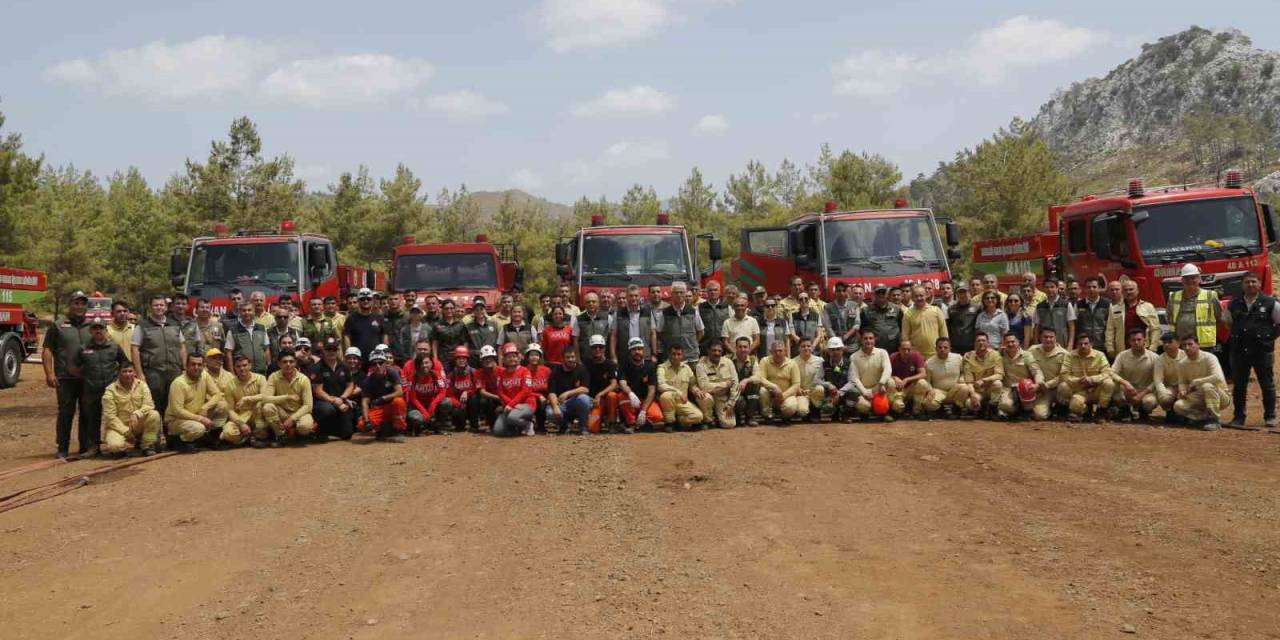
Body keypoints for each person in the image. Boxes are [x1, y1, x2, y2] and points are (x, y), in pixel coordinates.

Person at [1226, 272, 1280, 429]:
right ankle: (1238, 418)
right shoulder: (1233, 303)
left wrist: (1268, 339)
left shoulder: (1271, 303)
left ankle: (1270, 417)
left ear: (1259, 283)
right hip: (1239, 351)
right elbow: (1228, 322)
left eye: (1253, 282)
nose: (1250, 285)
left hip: (1262, 350)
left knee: (1267, 384)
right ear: (1242, 285)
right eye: (1247, 282)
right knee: (1239, 385)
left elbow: (1278, 324)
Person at [132, 293, 188, 439]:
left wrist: (184, 368)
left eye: (161, 305)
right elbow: (135, 349)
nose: (159, 307)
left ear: (166, 306)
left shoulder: (174, 325)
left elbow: (182, 346)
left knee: (174, 406)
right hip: (153, 372)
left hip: (174, 371)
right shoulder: (143, 325)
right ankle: (153, 439)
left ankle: (172, 438)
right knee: (155, 407)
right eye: (156, 305)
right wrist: (140, 373)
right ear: (151, 307)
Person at [74, 318, 130, 456]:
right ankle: (93, 447)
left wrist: (119, 380)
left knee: (114, 417)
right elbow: (74, 366)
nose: (98, 331)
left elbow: (125, 363)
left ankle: (117, 444)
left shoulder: (114, 347)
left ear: (106, 330)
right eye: (95, 328)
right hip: (91, 390)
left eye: (101, 328)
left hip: (111, 391)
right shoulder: (83, 348)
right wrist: (85, 378)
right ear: (91, 331)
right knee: (92, 419)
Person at [163, 353, 226, 452]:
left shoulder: (204, 375)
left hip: (197, 414)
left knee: (222, 406)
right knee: (198, 428)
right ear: (186, 366)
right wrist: (200, 418)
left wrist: (205, 407)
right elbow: (177, 411)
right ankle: (176, 441)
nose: (196, 367)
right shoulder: (178, 383)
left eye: (199, 364)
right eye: (193, 364)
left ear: (203, 365)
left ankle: (210, 437)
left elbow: (217, 394)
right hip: (177, 420)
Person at [99, 361, 162, 457]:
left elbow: (149, 404)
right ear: (118, 373)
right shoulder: (110, 391)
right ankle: (124, 447)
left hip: (138, 422)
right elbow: (110, 417)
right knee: (115, 447)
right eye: (124, 371)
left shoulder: (142, 385)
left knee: (154, 415)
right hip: (119, 427)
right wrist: (126, 432)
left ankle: (148, 445)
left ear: (135, 373)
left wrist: (137, 413)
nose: (128, 374)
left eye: (130, 371)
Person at [1173, 334, 1231, 430]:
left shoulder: (1210, 358)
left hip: (1220, 396)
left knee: (1207, 386)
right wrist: (1182, 390)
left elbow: (1218, 377)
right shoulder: (1182, 363)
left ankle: (1214, 419)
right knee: (1178, 406)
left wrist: (1197, 381)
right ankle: (1202, 418)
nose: (1187, 348)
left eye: (1190, 344)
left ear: (1198, 345)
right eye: (1184, 345)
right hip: (1199, 396)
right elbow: (1182, 382)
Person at [259, 349, 316, 444]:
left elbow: (308, 406)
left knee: (305, 427)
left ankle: (296, 433)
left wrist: (292, 419)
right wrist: (287, 397)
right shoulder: (273, 377)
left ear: (296, 363)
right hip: (282, 412)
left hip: (299, 412)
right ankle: (281, 435)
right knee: (267, 407)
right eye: (285, 362)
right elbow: (265, 399)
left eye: (291, 361)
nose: (288, 364)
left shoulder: (304, 379)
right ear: (279, 364)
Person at [1061, 335, 1115, 423]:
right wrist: (1079, 380)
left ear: (1091, 344)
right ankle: (1085, 411)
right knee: (1065, 390)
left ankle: (1101, 411)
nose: (1083, 346)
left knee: (1109, 383)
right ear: (1076, 345)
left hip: (1096, 389)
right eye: (1080, 344)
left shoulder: (1100, 355)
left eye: (1086, 343)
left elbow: (1108, 372)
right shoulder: (1069, 356)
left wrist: (1092, 379)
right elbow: (1064, 375)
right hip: (1080, 390)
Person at [356, 351, 407, 442]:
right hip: (379, 409)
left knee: (398, 401)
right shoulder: (367, 381)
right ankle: (383, 429)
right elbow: (364, 402)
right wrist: (367, 421)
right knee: (362, 424)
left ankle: (399, 430)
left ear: (385, 363)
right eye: (374, 363)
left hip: (393, 407)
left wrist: (383, 398)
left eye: (380, 362)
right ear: (371, 366)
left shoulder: (392, 373)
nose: (378, 366)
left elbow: (400, 392)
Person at [845, 329, 894, 420]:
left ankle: (888, 411)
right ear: (861, 340)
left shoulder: (882, 353)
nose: (868, 341)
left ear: (874, 340)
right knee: (863, 406)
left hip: (879, 388)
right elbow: (855, 378)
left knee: (890, 382)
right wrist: (865, 392)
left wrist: (881, 383)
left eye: (871, 338)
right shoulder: (854, 357)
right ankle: (869, 410)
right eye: (865, 338)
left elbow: (888, 370)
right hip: (864, 390)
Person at [1104, 279, 1160, 359]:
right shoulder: (1114, 309)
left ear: (1137, 291)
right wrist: (1110, 348)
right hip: (1123, 350)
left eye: (1131, 289)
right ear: (1122, 292)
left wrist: (1153, 347)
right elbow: (1110, 330)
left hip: (1145, 349)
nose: (1128, 292)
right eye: (1126, 290)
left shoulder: (1148, 307)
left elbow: (1155, 329)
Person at [1111, 329, 1159, 422]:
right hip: (1127, 390)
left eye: (1139, 339)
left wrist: (1142, 394)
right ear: (1129, 342)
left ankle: (1143, 412)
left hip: (1145, 392)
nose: (1136, 342)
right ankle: (1125, 410)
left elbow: (1157, 380)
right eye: (1133, 340)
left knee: (1149, 403)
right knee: (1112, 386)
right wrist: (1125, 383)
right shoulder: (1122, 355)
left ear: (1145, 340)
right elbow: (1112, 372)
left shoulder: (1154, 357)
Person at [657, 344, 706, 431]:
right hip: (668, 402)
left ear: (682, 356)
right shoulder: (662, 368)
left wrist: (696, 391)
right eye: (673, 354)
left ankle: (679, 421)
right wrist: (678, 392)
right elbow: (661, 386)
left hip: (682, 402)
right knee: (666, 396)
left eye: (679, 354)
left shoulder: (686, 368)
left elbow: (692, 385)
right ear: (669, 355)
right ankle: (669, 423)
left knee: (698, 417)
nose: (676, 357)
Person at [223, 354, 268, 448]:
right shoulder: (230, 385)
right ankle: (251, 437)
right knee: (227, 433)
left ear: (250, 365)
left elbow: (266, 396)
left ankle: (259, 434)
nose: (242, 368)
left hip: (259, 414)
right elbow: (230, 410)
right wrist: (241, 424)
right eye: (238, 366)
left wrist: (246, 399)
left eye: (244, 365)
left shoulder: (260, 378)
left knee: (260, 404)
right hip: (242, 415)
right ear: (234, 368)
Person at [753, 339, 802, 425]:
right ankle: (767, 415)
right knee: (762, 391)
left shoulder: (792, 364)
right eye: (775, 351)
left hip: (787, 394)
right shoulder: (764, 361)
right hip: (770, 394)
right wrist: (774, 387)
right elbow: (761, 378)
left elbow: (796, 384)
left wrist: (783, 396)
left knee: (790, 407)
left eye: (780, 351)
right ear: (771, 351)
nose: (778, 353)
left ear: (785, 351)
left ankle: (785, 416)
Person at [617, 338, 662, 432]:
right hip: (631, 400)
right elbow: (622, 383)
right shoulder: (624, 365)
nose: (637, 352)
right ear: (630, 351)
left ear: (643, 350)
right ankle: (631, 423)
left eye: (639, 349)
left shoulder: (650, 367)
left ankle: (640, 420)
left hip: (645, 400)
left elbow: (652, 390)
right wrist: (630, 393)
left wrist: (644, 410)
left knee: (657, 416)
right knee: (622, 396)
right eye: (634, 349)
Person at [491, 344, 536, 437]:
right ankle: (517, 427)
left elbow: (526, 391)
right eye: (509, 356)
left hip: (526, 404)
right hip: (510, 406)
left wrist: (511, 404)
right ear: (504, 359)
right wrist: (511, 404)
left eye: (514, 356)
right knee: (498, 431)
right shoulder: (501, 373)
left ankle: (528, 424)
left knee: (512, 417)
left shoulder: (525, 371)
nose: (512, 359)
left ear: (518, 358)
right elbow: (500, 392)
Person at [997, 332, 1043, 420]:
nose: (1010, 344)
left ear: (1018, 342)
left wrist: (1037, 384)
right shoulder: (1000, 355)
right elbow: (988, 354)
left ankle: (1025, 409)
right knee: (1005, 406)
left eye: (1013, 342)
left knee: (1038, 413)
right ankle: (1017, 411)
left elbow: (1037, 371)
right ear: (1004, 344)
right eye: (1007, 342)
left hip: (1024, 388)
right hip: (1008, 388)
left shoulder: (1027, 355)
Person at [922, 337, 971, 419]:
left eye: (945, 347)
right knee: (929, 404)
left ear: (950, 348)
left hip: (954, 390)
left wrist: (961, 379)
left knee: (965, 387)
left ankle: (956, 409)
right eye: (940, 347)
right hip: (939, 390)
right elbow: (927, 381)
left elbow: (963, 372)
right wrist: (930, 390)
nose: (942, 349)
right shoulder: (929, 363)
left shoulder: (958, 358)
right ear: (936, 348)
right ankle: (941, 410)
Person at [1027, 327, 1070, 420]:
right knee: (1039, 415)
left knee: (1065, 386)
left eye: (1051, 337)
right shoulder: (1032, 350)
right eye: (1045, 337)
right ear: (1040, 338)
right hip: (1041, 390)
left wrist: (1046, 385)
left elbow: (1063, 375)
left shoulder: (1064, 354)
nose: (1048, 339)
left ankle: (1062, 408)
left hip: (1057, 388)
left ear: (1055, 338)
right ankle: (1050, 409)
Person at [656, 281, 705, 361]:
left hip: (690, 357)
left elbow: (701, 331)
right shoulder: (664, 313)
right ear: (671, 294)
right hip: (671, 357)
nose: (679, 295)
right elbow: (659, 333)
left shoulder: (693, 311)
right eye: (676, 292)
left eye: (681, 292)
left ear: (685, 294)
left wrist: (692, 343)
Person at [548, 347, 592, 434]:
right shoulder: (556, 371)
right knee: (549, 413)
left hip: (575, 402)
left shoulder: (582, 369)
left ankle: (583, 427)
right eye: (568, 357)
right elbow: (551, 392)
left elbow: (585, 389)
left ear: (576, 357)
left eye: (572, 357)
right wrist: (555, 406)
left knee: (584, 399)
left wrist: (568, 393)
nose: (570, 359)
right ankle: (564, 425)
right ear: (563, 358)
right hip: (561, 404)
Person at [403, 348, 447, 435]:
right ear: (418, 365)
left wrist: (433, 404)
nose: (424, 365)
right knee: (416, 418)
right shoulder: (413, 377)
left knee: (446, 402)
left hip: (430, 403)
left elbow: (442, 392)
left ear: (431, 363)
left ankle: (439, 426)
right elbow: (413, 398)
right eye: (421, 363)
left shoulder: (435, 375)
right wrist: (423, 411)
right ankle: (419, 427)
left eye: (427, 363)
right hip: (417, 407)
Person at [583, 335, 622, 432]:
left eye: (600, 347)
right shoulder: (586, 364)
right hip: (594, 401)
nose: (597, 349)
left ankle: (612, 422)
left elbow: (614, 384)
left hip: (606, 399)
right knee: (593, 428)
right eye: (594, 347)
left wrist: (600, 394)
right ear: (590, 349)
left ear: (604, 348)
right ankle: (601, 418)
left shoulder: (610, 364)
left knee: (612, 395)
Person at [343, 288, 389, 365]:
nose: (366, 301)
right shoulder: (351, 318)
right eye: (362, 299)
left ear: (372, 300)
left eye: (368, 299)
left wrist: (386, 353)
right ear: (358, 301)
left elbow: (384, 335)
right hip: (357, 360)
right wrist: (349, 354)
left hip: (376, 360)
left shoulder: (379, 317)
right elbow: (346, 336)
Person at [962, 332, 1003, 417]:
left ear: (988, 343)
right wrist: (973, 395)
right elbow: (969, 381)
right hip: (978, 390)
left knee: (998, 383)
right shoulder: (968, 357)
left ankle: (992, 408)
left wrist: (985, 380)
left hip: (990, 388)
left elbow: (1000, 374)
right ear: (975, 343)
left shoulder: (995, 355)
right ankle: (982, 408)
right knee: (969, 404)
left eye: (983, 340)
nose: (981, 343)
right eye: (978, 341)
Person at [902, 285, 948, 360]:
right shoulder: (908, 313)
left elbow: (943, 332)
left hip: (935, 353)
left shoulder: (936, 310)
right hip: (916, 355)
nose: (919, 298)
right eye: (916, 296)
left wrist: (945, 349)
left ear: (926, 295)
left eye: (921, 295)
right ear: (912, 298)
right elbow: (905, 336)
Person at [612, 285, 657, 362]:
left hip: (645, 356)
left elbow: (653, 334)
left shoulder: (648, 312)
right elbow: (614, 336)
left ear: (640, 297)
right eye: (631, 296)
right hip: (625, 356)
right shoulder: (618, 313)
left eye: (636, 296)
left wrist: (654, 354)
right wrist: (613, 356)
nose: (633, 298)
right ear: (627, 297)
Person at [225, 302, 271, 375]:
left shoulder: (261, 328)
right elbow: (228, 353)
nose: (247, 312)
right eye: (244, 310)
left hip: (261, 372)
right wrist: (232, 374)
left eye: (249, 310)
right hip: (242, 372)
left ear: (254, 312)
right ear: (240, 312)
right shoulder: (233, 331)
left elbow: (266, 349)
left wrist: (269, 366)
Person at [442, 346, 481, 432]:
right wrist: (459, 404)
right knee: (459, 426)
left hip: (471, 404)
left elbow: (477, 389)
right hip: (459, 405)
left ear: (467, 359)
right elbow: (448, 394)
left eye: (464, 358)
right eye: (458, 358)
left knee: (474, 399)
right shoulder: (451, 375)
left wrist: (467, 392)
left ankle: (474, 425)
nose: (461, 360)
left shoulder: (473, 372)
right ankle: (459, 424)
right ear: (455, 360)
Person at [888, 338, 929, 417]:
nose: (906, 352)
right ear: (899, 349)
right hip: (898, 389)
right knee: (889, 382)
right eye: (904, 349)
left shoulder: (916, 355)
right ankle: (895, 410)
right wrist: (895, 377)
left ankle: (917, 411)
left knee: (922, 383)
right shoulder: (893, 357)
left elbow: (923, 374)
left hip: (911, 388)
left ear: (911, 349)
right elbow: (886, 374)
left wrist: (907, 379)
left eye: (908, 349)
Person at [818, 337, 854, 421]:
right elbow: (816, 380)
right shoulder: (824, 364)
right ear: (829, 351)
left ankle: (846, 413)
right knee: (827, 409)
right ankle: (834, 412)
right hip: (830, 394)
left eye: (838, 349)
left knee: (854, 392)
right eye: (832, 350)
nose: (835, 352)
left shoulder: (848, 363)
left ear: (842, 350)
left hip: (844, 394)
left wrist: (840, 393)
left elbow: (852, 381)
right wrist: (828, 384)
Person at [1034, 278, 1077, 349]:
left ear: (1057, 288)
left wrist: (1070, 345)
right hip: (1045, 344)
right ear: (1044, 289)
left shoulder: (1066, 305)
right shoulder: (1039, 307)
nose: (1049, 289)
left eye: (1052, 287)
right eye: (1047, 287)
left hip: (1062, 343)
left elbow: (1071, 327)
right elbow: (1037, 327)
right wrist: (1036, 343)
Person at [1075, 276, 1111, 357]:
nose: (1091, 289)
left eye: (1094, 287)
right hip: (1083, 345)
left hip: (1102, 345)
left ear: (1099, 288)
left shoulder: (1107, 304)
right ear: (1085, 289)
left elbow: (1110, 326)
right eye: (1088, 287)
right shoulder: (1078, 305)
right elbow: (1075, 325)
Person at [861, 286, 902, 353]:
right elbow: (862, 330)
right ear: (874, 295)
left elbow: (902, 327)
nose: (881, 295)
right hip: (875, 348)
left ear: (887, 295)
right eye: (878, 293)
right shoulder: (866, 311)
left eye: (883, 293)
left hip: (894, 348)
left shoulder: (897, 309)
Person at [575, 292, 613, 363]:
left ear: (598, 303)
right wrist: (578, 359)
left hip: (603, 359)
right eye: (588, 302)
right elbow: (575, 341)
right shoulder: (578, 319)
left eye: (593, 301)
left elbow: (612, 338)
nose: (591, 304)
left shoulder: (608, 318)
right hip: (585, 359)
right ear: (584, 304)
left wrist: (612, 356)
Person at [473, 345, 503, 431]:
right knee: (482, 400)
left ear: (495, 359)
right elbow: (482, 392)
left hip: (503, 398)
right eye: (485, 358)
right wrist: (498, 398)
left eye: (490, 358)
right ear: (481, 361)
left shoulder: (502, 371)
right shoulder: (478, 373)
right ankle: (489, 423)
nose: (488, 360)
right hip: (492, 398)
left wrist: (503, 399)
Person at [524, 344, 553, 433]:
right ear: (527, 357)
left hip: (545, 400)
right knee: (532, 400)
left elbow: (551, 387)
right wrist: (538, 396)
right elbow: (524, 391)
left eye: (536, 355)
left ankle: (542, 424)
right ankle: (529, 422)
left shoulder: (547, 370)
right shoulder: (523, 371)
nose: (534, 357)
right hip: (530, 399)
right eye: (531, 355)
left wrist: (549, 398)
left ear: (540, 357)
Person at [432, 300, 470, 370]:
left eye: (451, 308)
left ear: (454, 309)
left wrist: (464, 356)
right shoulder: (437, 325)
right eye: (446, 308)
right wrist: (435, 359)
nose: (449, 310)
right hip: (443, 357)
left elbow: (465, 342)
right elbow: (435, 343)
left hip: (458, 357)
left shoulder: (460, 324)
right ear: (442, 310)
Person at [822, 282, 860, 349]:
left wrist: (846, 336)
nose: (841, 293)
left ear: (846, 292)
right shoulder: (828, 307)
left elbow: (857, 324)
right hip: (835, 344)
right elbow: (828, 327)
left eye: (843, 291)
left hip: (852, 344)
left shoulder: (854, 305)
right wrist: (837, 340)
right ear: (835, 292)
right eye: (839, 291)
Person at [697, 281, 731, 357]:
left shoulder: (727, 307)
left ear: (719, 291)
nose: (713, 292)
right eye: (710, 290)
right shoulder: (699, 308)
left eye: (715, 290)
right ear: (706, 292)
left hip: (723, 348)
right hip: (705, 348)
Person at [946, 285, 979, 356]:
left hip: (971, 345)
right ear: (957, 294)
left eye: (965, 292)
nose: (962, 294)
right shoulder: (951, 309)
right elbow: (948, 327)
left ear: (969, 293)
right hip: (955, 346)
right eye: (960, 292)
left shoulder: (977, 308)